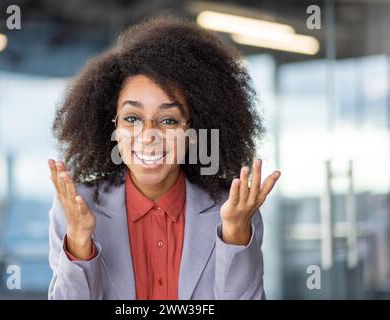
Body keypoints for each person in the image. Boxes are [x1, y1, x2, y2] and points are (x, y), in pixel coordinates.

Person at [47, 15, 281, 300]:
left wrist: (234, 234)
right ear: (113, 126)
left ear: (193, 131)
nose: (149, 135)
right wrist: (80, 243)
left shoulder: (232, 211)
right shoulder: (76, 208)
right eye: (132, 118)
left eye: (168, 121)